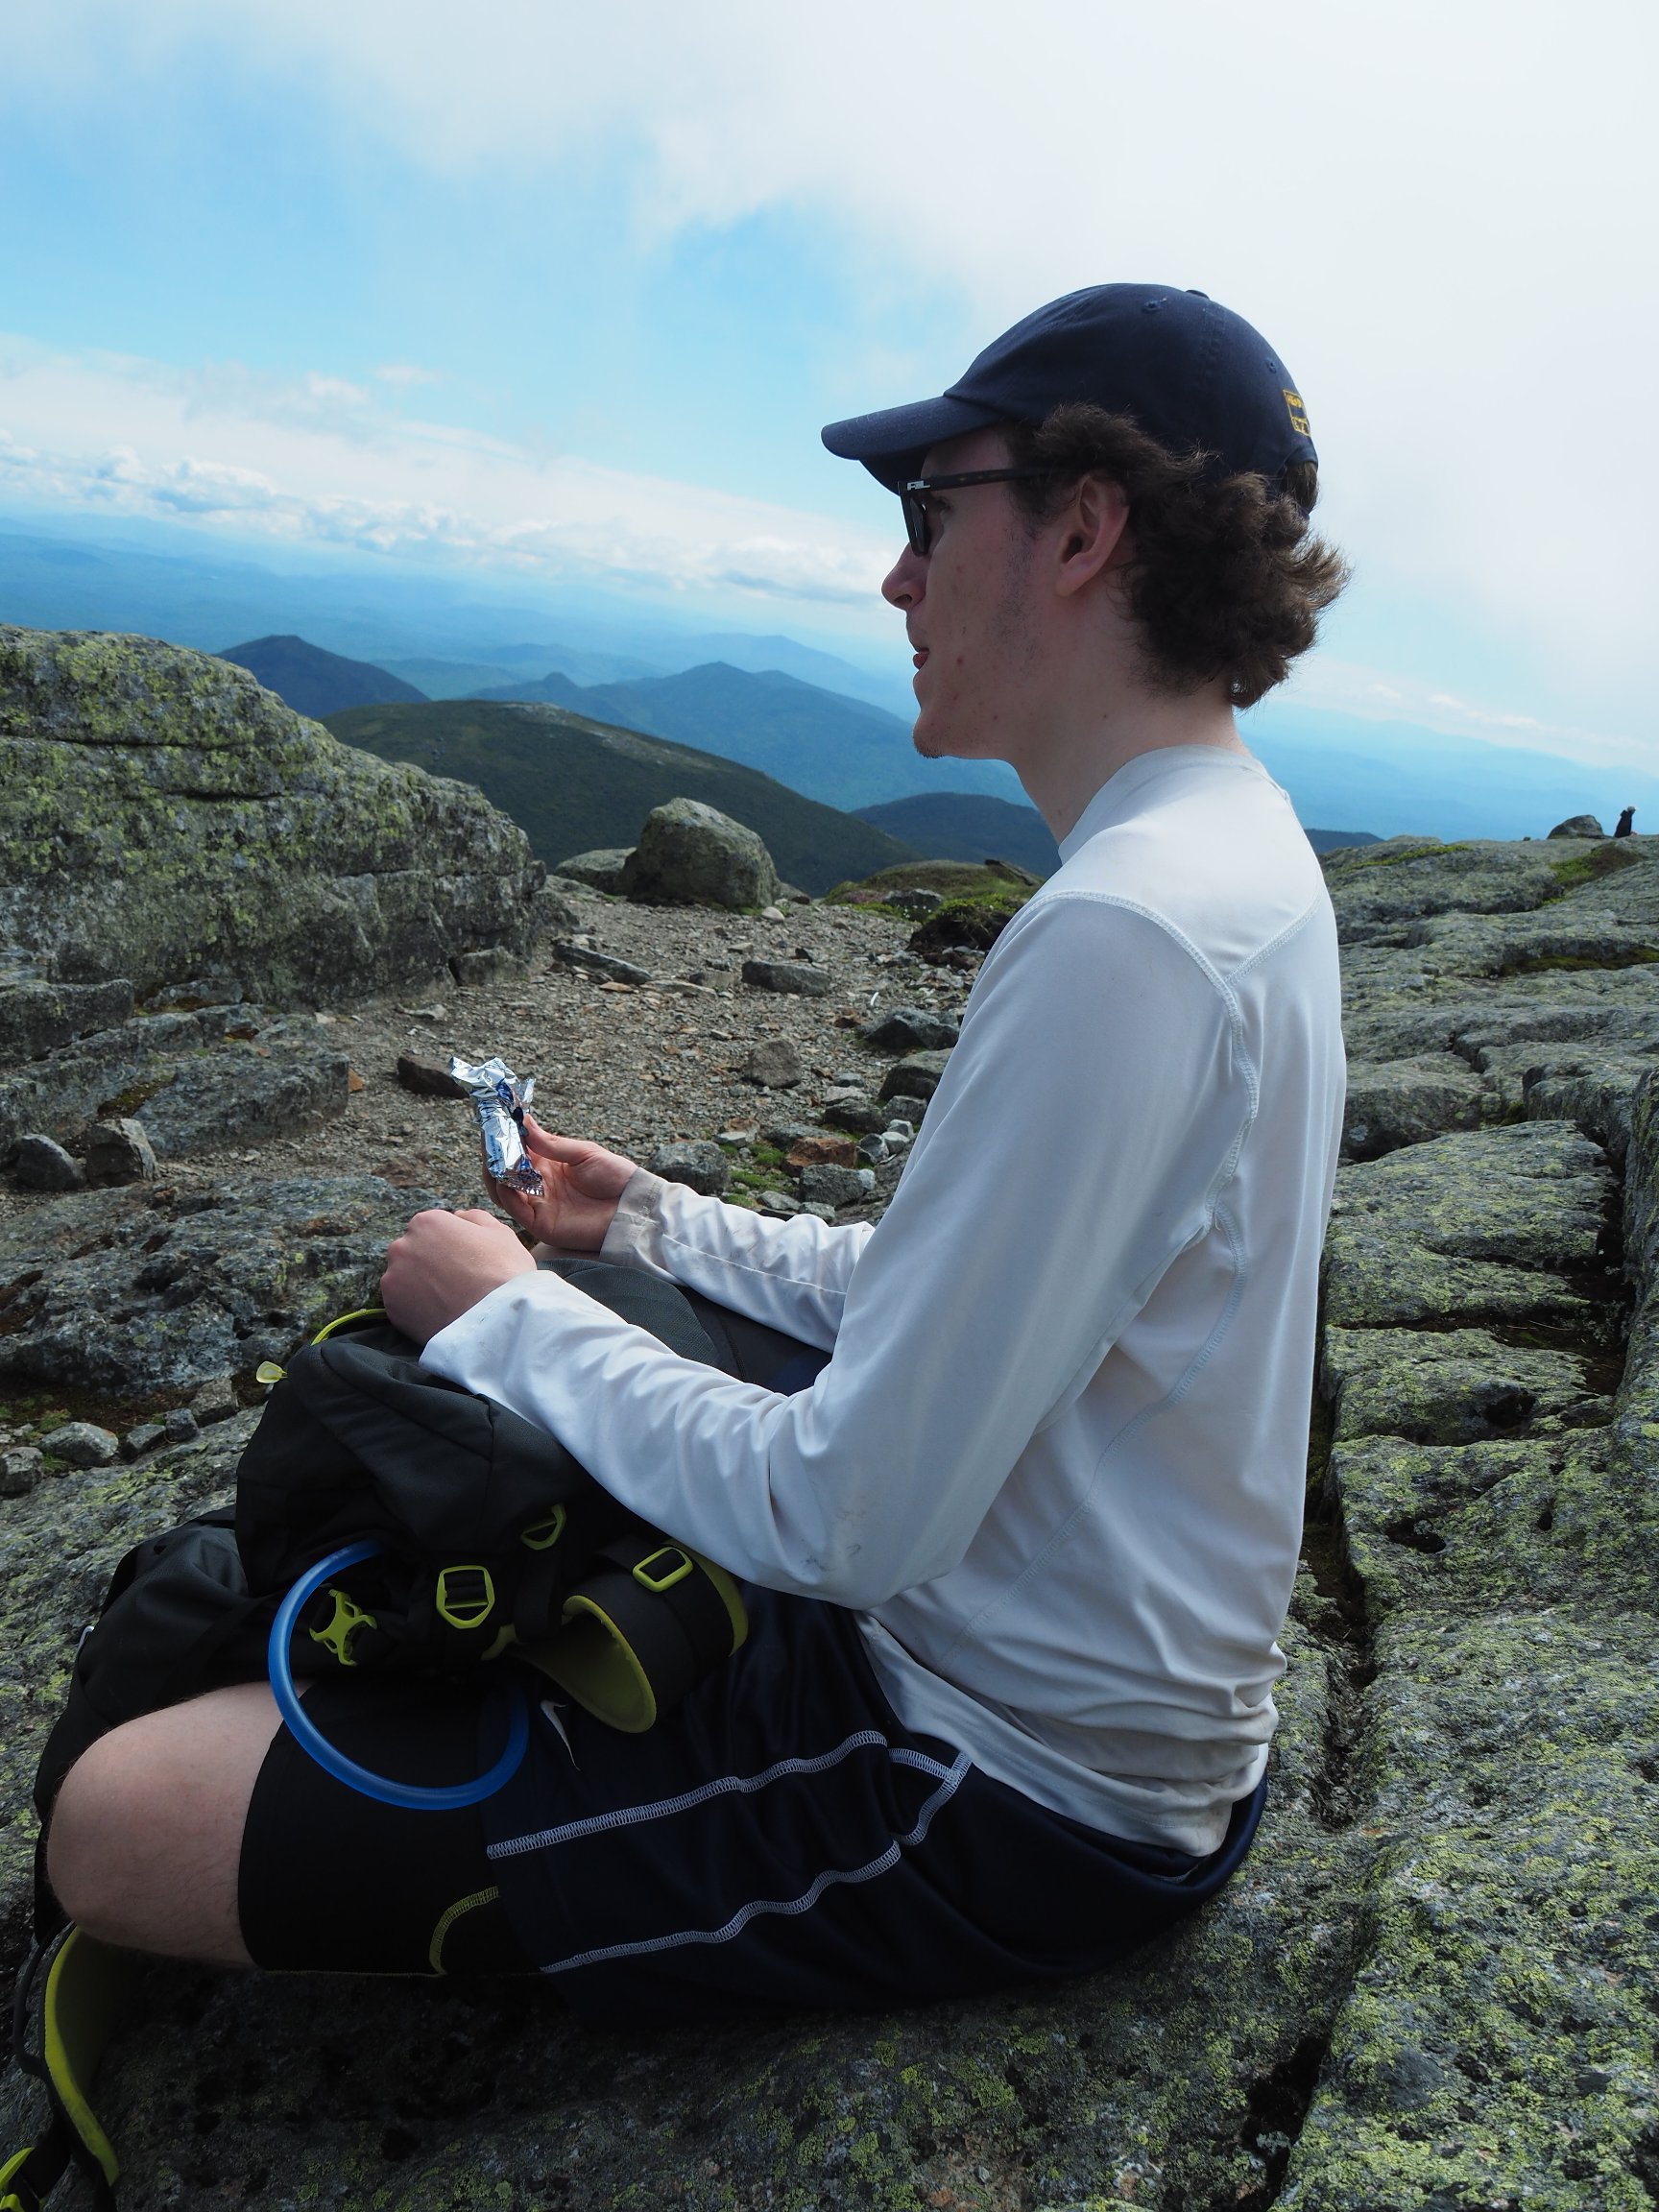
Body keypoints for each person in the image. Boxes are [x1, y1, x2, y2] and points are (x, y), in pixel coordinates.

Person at [45, 284, 1349, 2019]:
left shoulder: (1130, 933)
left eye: (930, 512)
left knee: (116, 1818)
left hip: (995, 1779)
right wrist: (651, 1221)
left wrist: (503, 1315)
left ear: (1081, 531)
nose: (898, 576)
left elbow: (848, 1511)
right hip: (1044, 1663)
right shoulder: (1230, 858)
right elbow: (967, 1299)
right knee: (569, 1384)